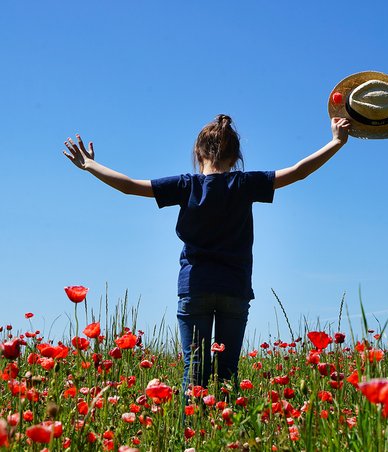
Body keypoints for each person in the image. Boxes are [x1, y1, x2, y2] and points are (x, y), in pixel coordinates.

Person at [63, 114, 350, 393]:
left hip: (195, 286)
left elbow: (129, 186)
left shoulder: (186, 185)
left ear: (198, 153)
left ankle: (192, 426)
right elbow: (299, 171)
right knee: (227, 373)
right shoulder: (244, 184)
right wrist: (336, 142)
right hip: (234, 287)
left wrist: (90, 165)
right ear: (235, 157)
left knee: (195, 372)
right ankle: (224, 426)